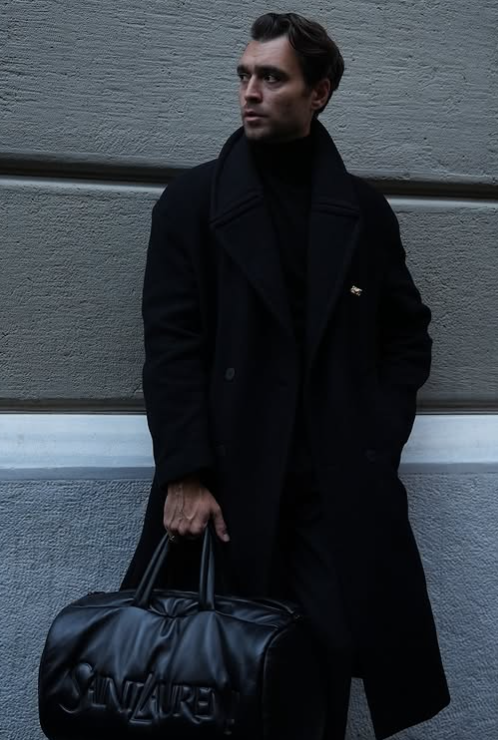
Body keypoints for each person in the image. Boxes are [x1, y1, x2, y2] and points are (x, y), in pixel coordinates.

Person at [120, 12, 450, 739]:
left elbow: (406, 336)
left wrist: (376, 435)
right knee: (213, 679)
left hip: (333, 492)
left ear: (318, 93)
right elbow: (170, 346)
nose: (250, 92)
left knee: (322, 671)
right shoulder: (193, 204)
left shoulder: (363, 213)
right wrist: (184, 472)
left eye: (271, 78)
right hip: (225, 490)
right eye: (244, 75)